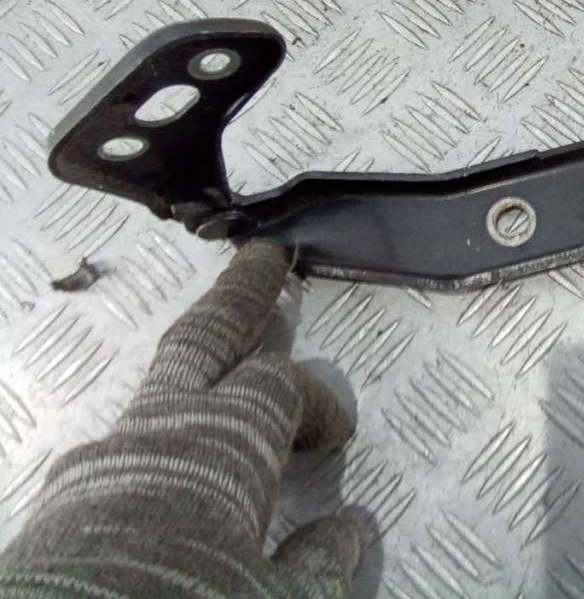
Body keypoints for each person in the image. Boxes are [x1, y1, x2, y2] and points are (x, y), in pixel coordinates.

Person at [0, 241, 370, 598]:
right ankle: (333, 432)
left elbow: (336, 542)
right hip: (85, 500)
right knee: (268, 381)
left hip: (78, 506)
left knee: (250, 373)